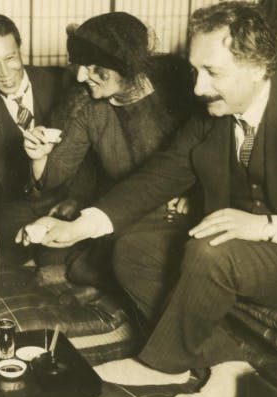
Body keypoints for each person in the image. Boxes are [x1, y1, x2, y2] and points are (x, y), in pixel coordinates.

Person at [22, 1, 277, 397]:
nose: (199, 87)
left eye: (213, 73)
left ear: (258, 67)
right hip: (244, 249)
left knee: (211, 251)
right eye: (195, 70)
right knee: (134, 249)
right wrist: (82, 225)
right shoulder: (213, 113)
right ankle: (227, 364)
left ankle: (161, 363)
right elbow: (160, 175)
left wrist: (267, 226)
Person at [19, 12, 196, 290]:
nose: (81, 76)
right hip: (120, 206)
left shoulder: (176, 89)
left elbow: (207, 155)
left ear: (124, 66)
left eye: (92, 67)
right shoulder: (87, 104)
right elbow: (56, 175)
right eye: (79, 66)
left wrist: (194, 194)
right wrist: (39, 157)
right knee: (47, 252)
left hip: (175, 210)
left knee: (115, 257)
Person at [0, 14, 95, 265]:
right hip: (6, 206)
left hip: (63, 199)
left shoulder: (60, 81)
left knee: (70, 263)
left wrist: (77, 197)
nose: (4, 73)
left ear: (20, 48)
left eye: (10, 58)